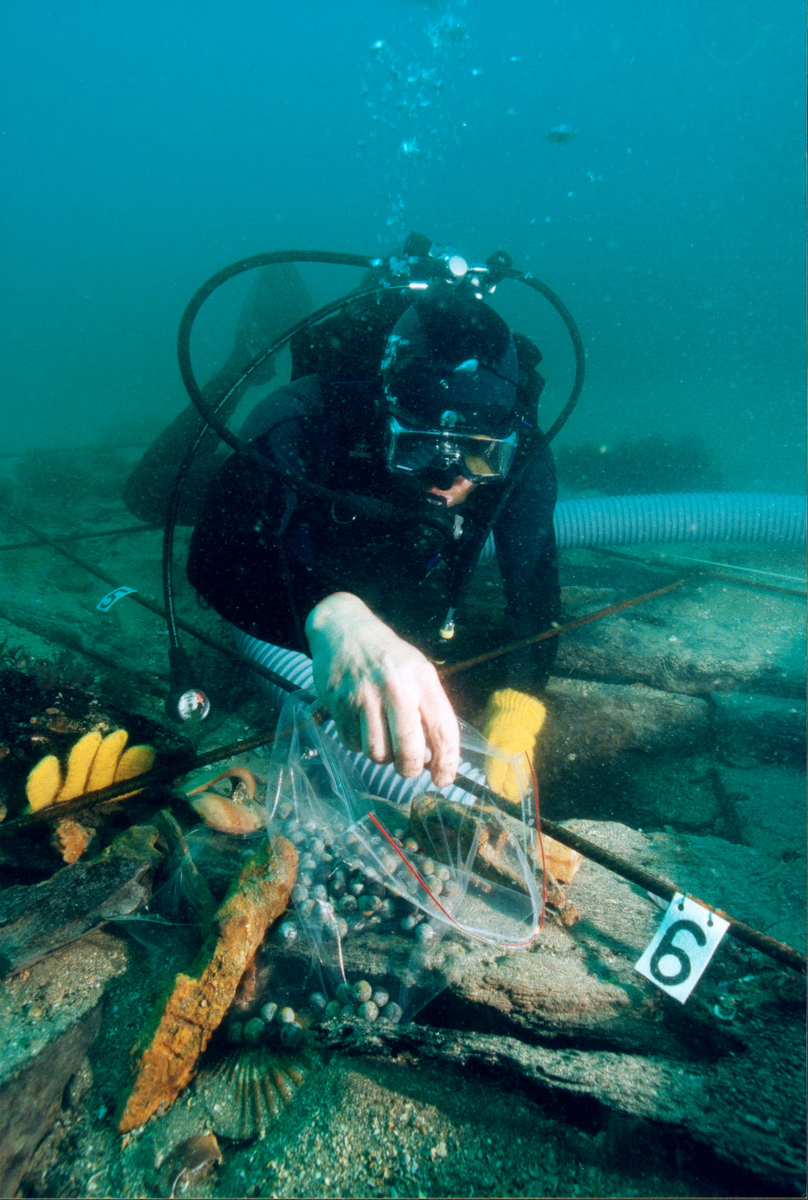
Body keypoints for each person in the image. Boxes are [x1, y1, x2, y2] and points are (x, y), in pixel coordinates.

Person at [179, 251, 561, 803]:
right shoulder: (305, 418)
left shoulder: (521, 449)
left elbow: (534, 585)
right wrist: (333, 615)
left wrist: (518, 706)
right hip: (300, 544)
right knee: (148, 493)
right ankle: (245, 348)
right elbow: (214, 555)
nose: (445, 477)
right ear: (381, 417)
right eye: (419, 447)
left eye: (478, 457)